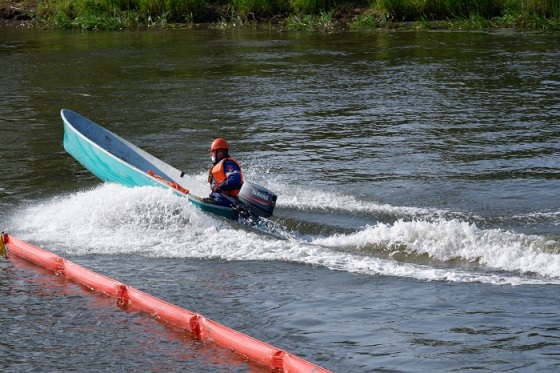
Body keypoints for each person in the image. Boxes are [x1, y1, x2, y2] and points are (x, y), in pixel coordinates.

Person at [206, 138, 244, 206]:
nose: (211, 154)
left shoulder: (228, 164)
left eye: (213, 152)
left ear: (220, 153)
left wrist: (220, 187)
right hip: (219, 199)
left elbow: (235, 180)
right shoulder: (217, 166)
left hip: (226, 201)